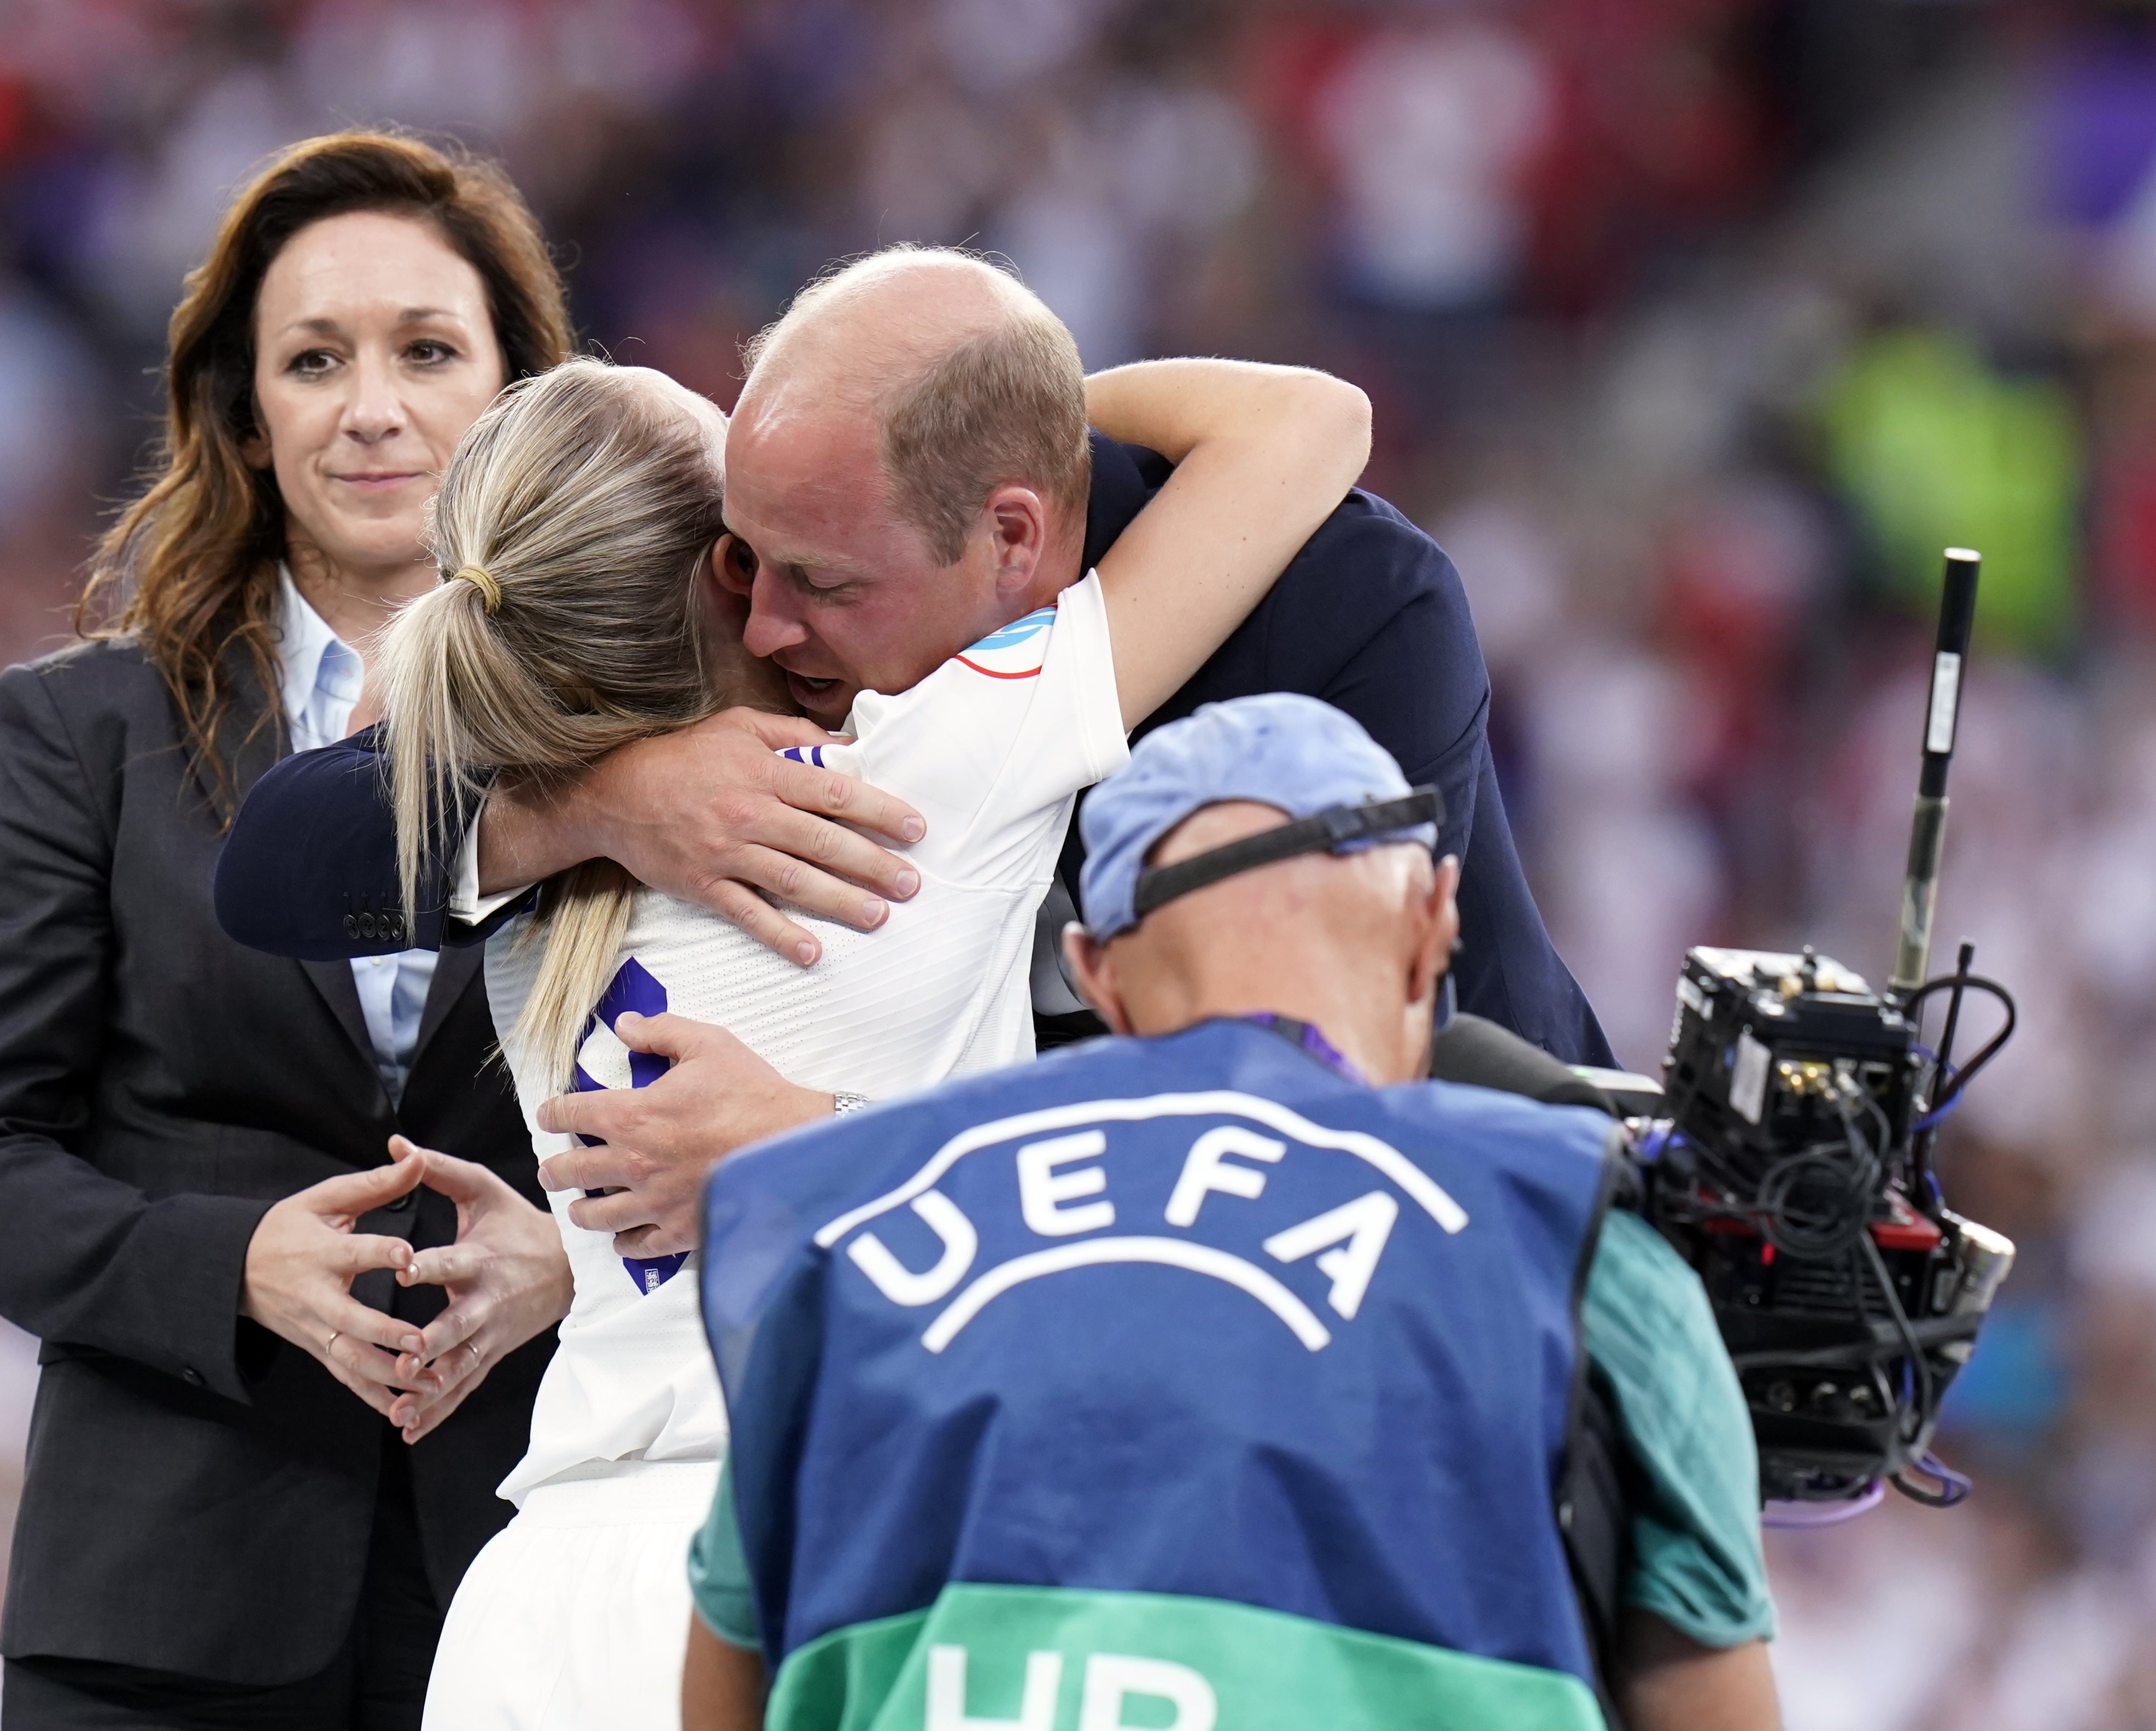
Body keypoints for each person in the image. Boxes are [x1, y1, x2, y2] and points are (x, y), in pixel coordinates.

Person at [356, 280, 1370, 1724]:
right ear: (715, 581)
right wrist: (993, 419)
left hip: (532, 1598)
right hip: (813, 1554)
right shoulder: (920, 766)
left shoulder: (510, 865)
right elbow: (1305, 424)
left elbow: (378, 774)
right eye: (744, 535)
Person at [212, 243, 1613, 1264]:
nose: (764, 621)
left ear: (1011, 535)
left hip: (1465, 1247)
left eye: (816, 578)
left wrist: (826, 1145)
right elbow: (284, 862)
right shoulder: (764, 699)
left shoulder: (1333, 609)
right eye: (740, 561)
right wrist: (612, 799)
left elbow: (1309, 1105)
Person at [679, 694, 1781, 1731]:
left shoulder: (849, 1213)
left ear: (1096, 975)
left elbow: (728, 1677)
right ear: (1437, 917)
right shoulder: (1568, 1222)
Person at [0, 133, 575, 1729]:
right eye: (313, 360)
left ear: (517, 401)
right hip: (156, 1618)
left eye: (426, 352)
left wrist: (585, 1267)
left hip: (535, 1589)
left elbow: (749, 1132)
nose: (371, 407)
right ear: (246, 416)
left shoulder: (648, 742)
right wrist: (233, 1266)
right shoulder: (88, 728)